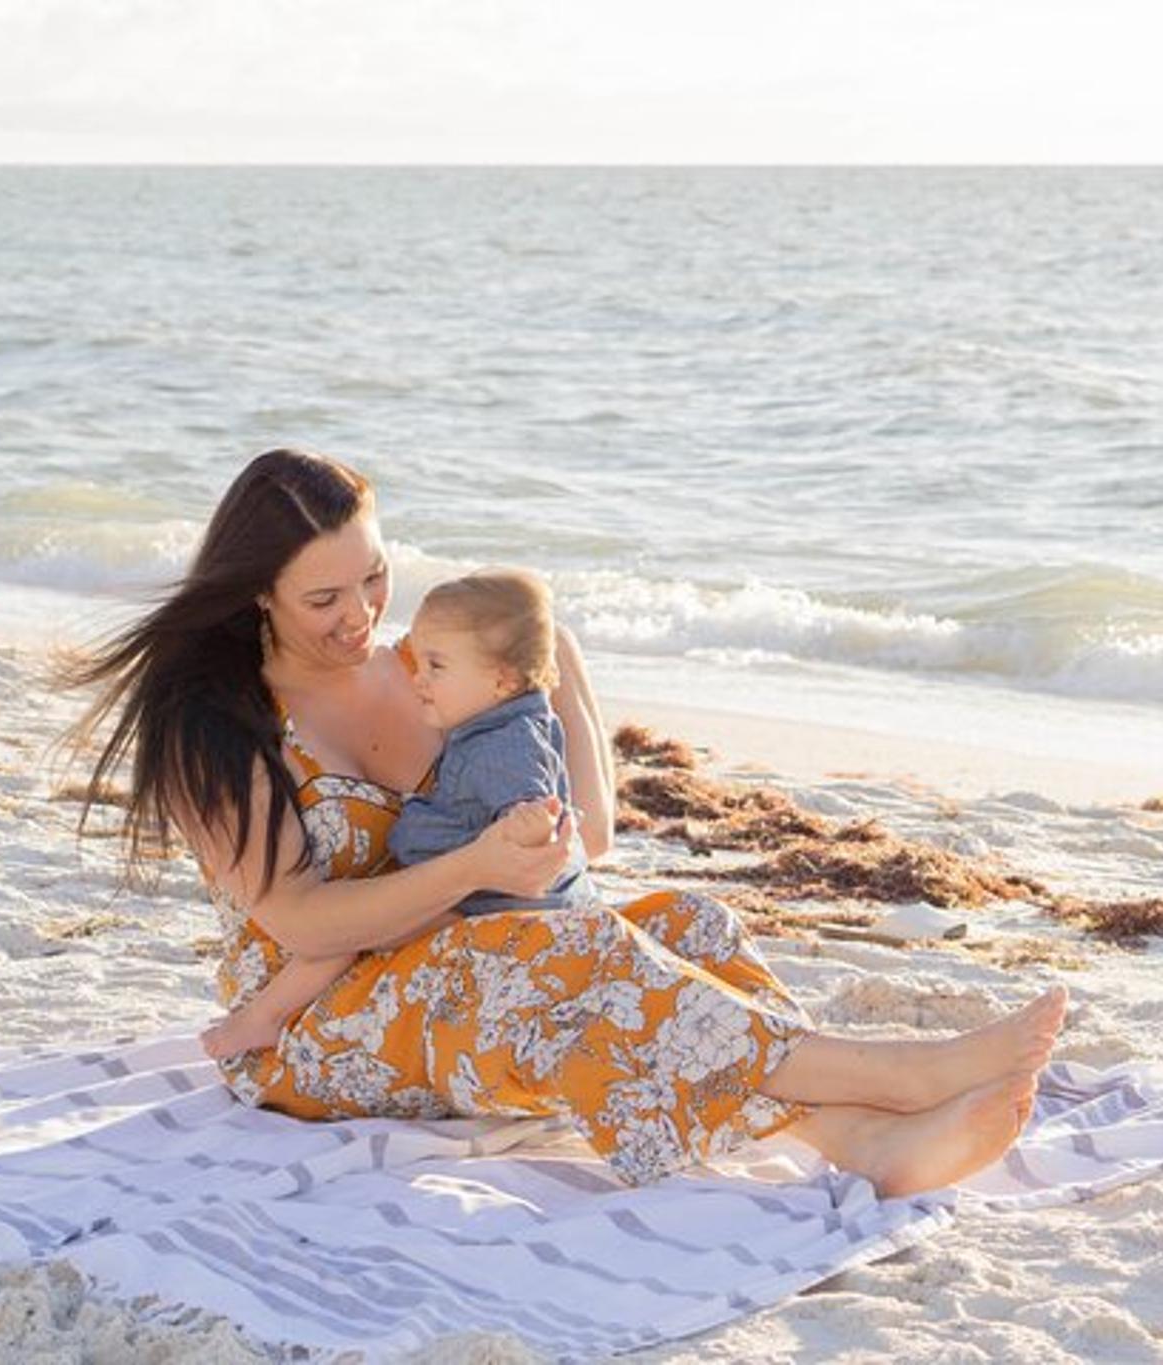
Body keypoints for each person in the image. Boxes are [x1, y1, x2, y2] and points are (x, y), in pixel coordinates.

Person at [64, 447, 1067, 1196]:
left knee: (686, 928)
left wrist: (554, 671)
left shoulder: (441, 667)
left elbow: (582, 842)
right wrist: (472, 868)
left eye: (373, 577)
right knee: (579, 961)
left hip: (474, 957)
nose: (362, 614)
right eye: (323, 596)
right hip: (309, 1025)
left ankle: (851, 1140)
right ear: (257, 598)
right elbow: (298, 922)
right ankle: (893, 1079)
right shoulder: (216, 721)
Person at [195, 567, 599, 1060]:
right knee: (353, 930)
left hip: (483, 904)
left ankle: (264, 1017)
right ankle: (265, 1017)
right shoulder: (506, 717)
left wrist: (527, 825)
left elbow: (533, 803)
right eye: (326, 595)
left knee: (353, 934)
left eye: (436, 667)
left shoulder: (504, 743)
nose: (418, 679)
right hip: (479, 896)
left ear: (501, 679)